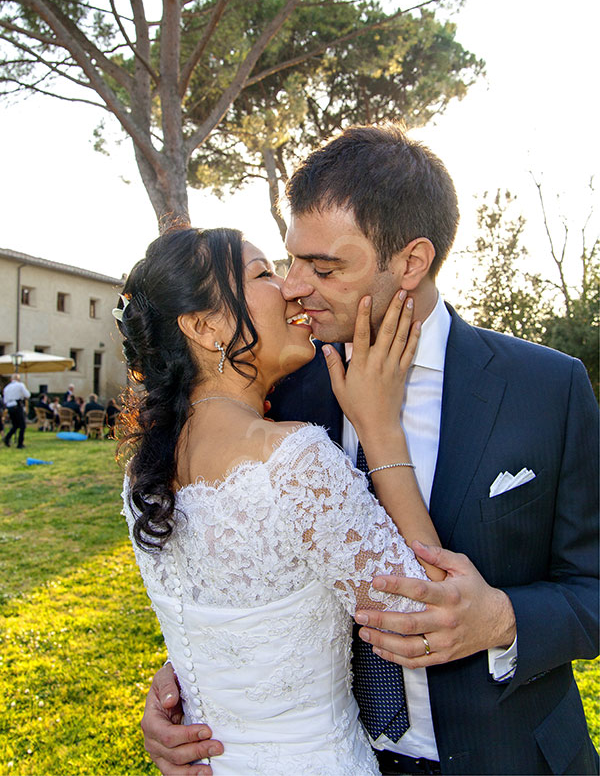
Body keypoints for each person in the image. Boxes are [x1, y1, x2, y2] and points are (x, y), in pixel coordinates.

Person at [142, 124, 599, 776]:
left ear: (410, 262)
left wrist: (502, 620)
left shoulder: (546, 388)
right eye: (290, 259)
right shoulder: (279, 389)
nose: (295, 286)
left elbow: (592, 587)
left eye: (324, 268)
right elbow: (257, 570)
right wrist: (185, 684)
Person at [117, 226, 445, 776]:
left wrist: (172, 690)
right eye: (263, 273)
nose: (292, 289)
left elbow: (220, 627)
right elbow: (427, 614)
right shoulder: (293, 460)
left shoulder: (142, 475)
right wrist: (380, 429)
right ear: (204, 327)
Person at [3, 373, 31, 449]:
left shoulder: (7, 387)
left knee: (15, 425)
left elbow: (4, 400)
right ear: (18, 379)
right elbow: (27, 395)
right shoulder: (20, 385)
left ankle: (7, 438)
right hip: (17, 405)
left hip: (9, 406)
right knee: (22, 425)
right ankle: (20, 443)